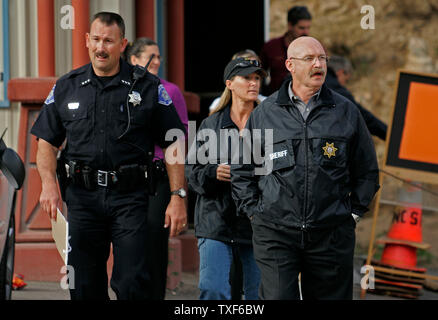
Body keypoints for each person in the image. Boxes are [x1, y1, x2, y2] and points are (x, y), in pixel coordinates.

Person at [31, 12, 187, 300]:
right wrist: (49, 184)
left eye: (109, 41)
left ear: (123, 44)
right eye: (96, 40)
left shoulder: (148, 87)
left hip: (131, 197)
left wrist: (178, 196)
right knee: (84, 285)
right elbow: (46, 141)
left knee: (131, 283)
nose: (101, 47)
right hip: (82, 198)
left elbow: (173, 141)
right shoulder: (67, 85)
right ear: (86, 41)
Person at [231, 37, 380, 300]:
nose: (318, 64)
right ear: (290, 65)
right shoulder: (265, 114)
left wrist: (352, 213)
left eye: (322, 58)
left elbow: (367, 171)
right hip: (276, 233)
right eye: (309, 58)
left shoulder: (346, 112)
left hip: (331, 235)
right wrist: (256, 214)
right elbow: (243, 170)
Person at [185, 57, 266, 300]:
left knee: (257, 294)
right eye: (247, 78)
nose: (253, 83)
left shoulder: (269, 122)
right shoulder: (211, 124)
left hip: (257, 223)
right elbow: (192, 171)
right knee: (213, 289)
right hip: (215, 221)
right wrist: (213, 172)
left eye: (257, 78)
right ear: (230, 83)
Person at [124, 37, 189, 299]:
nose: (157, 61)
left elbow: (180, 133)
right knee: (129, 241)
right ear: (134, 60)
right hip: (128, 175)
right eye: (152, 56)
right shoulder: (123, 88)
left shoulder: (169, 90)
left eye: (159, 56)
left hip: (159, 175)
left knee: (154, 238)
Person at [325, 55, 387, 140]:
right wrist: (387, 132)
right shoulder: (333, 87)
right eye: (346, 80)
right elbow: (358, 114)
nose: (344, 85)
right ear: (340, 72)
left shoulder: (314, 79)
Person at [260, 6, 312, 96]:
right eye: (301, 28)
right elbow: (259, 72)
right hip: (275, 97)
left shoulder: (313, 48)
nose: (306, 32)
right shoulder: (272, 47)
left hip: (304, 97)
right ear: (290, 25)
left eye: (308, 28)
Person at [209, 49, 266, 114]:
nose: (254, 83)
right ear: (229, 84)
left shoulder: (269, 105)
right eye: (246, 77)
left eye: (257, 78)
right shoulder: (216, 108)